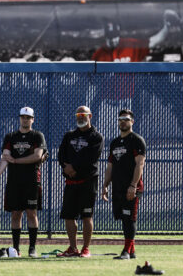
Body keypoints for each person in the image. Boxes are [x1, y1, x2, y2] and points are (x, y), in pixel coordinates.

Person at [0, 107, 47, 258]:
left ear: (33, 119)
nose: (25, 120)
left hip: (32, 180)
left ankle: (32, 248)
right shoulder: (11, 137)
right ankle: (15, 249)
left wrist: (17, 160)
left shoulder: (37, 136)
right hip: (14, 181)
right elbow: (6, 156)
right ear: (19, 118)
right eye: (23, 117)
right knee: (15, 214)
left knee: (31, 213)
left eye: (28, 117)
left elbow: (37, 156)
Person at [56, 106, 104, 258]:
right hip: (71, 181)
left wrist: (74, 167)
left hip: (88, 181)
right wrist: (66, 167)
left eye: (83, 115)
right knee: (69, 216)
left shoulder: (96, 137)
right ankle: (72, 248)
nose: (80, 118)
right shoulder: (69, 135)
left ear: (90, 116)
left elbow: (91, 158)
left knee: (86, 216)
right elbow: (61, 154)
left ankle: (85, 249)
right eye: (78, 115)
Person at [102, 109, 146, 260]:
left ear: (132, 122)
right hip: (118, 187)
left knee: (129, 218)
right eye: (120, 119)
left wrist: (133, 185)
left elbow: (140, 164)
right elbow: (110, 166)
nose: (123, 122)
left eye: (126, 119)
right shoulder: (114, 143)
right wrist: (105, 185)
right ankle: (131, 251)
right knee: (123, 218)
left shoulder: (137, 140)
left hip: (131, 187)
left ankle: (126, 251)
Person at [92, 10, 181, 62]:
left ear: (119, 34)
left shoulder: (130, 44)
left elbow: (154, 41)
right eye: (110, 37)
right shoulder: (99, 54)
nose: (113, 40)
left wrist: (167, 27)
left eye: (115, 36)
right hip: (106, 94)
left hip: (130, 94)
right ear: (105, 37)